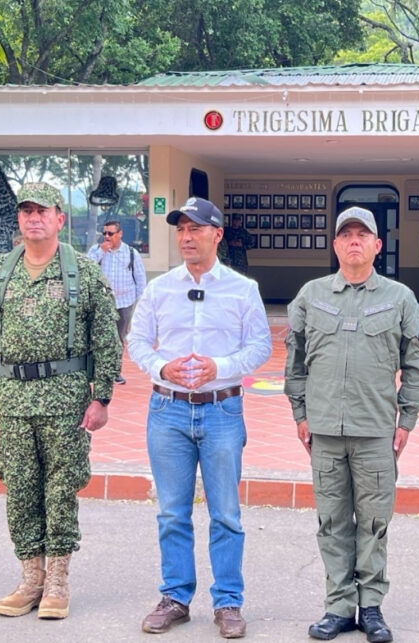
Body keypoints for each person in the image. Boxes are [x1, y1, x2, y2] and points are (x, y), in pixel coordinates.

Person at [0, 182, 121, 620]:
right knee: (19, 489)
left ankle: (57, 580)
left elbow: (106, 340)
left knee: (61, 488)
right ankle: (30, 575)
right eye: (26, 211)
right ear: (18, 219)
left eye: (42, 211)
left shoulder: (83, 273)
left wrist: (102, 397)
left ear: (59, 218)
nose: (34, 218)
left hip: (65, 399)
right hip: (13, 400)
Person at [128, 196, 271, 639]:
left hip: (222, 411)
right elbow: (137, 342)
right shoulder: (159, 288)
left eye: (196, 228)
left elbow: (260, 346)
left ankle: (228, 602)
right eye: (181, 229)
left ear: (217, 235)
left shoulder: (242, 288)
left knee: (226, 513)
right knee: (172, 512)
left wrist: (220, 367)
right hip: (167, 410)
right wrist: (161, 368)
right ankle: (175, 597)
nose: (187, 237)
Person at [285, 206, 419, 643]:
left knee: (373, 522)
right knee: (332, 521)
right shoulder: (310, 296)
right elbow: (295, 363)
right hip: (325, 430)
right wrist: (300, 414)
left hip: (375, 430)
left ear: (376, 245)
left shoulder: (400, 298)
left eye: (362, 235)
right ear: (334, 245)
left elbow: (415, 364)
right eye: (345, 234)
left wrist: (407, 418)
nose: (353, 241)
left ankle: (371, 608)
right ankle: (338, 606)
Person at [87, 219, 147, 384]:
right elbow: (86, 268)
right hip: (102, 301)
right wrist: (100, 251)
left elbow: (140, 278)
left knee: (119, 338)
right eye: (105, 233)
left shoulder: (131, 253)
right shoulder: (96, 250)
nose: (107, 237)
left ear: (119, 234)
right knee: (99, 337)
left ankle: (115, 371)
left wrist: (141, 302)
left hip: (125, 301)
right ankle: (98, 371)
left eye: (111, 234)